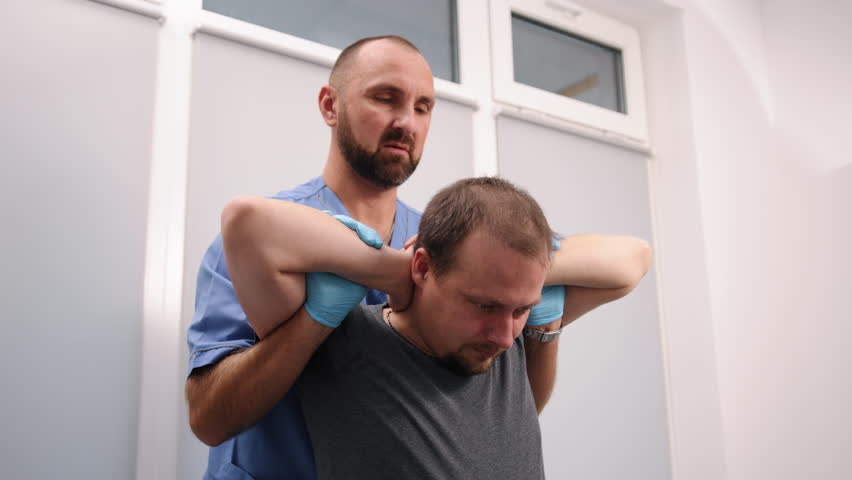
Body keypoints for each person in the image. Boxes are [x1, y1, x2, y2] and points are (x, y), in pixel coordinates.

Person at [186, 35, 558, 479]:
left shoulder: (447, 244)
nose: (407, 121)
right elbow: (210, 418)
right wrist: (317, 318)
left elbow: (496, 408)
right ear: (330, 106)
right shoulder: (266, 243)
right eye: (386, 98)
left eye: (423, 107)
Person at [219, 176, 653, 479]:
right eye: (484, 304)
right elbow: (246, 222)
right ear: (424, 266)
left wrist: (532, 276)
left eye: (521, 309)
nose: (504, 337)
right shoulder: (341, 341)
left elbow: (635, 258)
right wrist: (391, 270)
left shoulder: (508, 337)